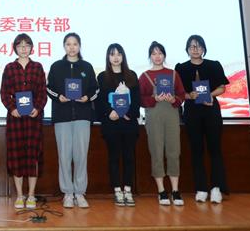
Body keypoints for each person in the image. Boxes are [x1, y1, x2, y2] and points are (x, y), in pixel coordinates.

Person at [46, 32, 98, 209]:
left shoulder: (87, 67)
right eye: (68, 44)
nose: (72, 47)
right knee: (64, 156)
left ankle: (80, 192)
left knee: (81, 155)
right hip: (62, 117)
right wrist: (58, 97)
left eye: (75, 44)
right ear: (64, 46)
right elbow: (49, 88)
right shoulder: (56, 67)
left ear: (79, 46)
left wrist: (87, 97)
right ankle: (68, 192)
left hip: (82, 116)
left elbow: (95, 89)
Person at [175, 35, 229, 204]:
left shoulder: (214, 65)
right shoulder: (181, 68)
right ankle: (201, 188)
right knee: (196, 151)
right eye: (192, 46)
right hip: (192, 112)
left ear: (204, 49)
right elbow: (179, 93)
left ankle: (216, 188)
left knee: (215, 150)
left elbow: (222, 87)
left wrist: (210, 95)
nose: (195, 49)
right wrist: (189, 96)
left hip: (211, 110)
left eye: (198, 46)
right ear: (187, 49)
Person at [0, 33, 47, 209]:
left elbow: (42, 92)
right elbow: (4, 93)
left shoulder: (37, 67)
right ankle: (20, 195)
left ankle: (32, 195)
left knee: (33, 156)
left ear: (31, 48)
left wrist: (38, 108)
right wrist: (12, 108)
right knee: (16, 156)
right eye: (20, 45)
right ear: (15, 48)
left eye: (27, 45)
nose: (23, 48)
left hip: (34, 120)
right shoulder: (9, 68)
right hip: (16, 120)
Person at [138, 41, 186, 206]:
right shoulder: (144, 76)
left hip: (171, 116)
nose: (157, 56)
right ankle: (161, 191)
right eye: (154, 53)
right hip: (153, 117)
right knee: (156, 151)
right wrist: (154, 99)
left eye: (160, 53)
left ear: (164, 55)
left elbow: (181, 95)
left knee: (174, 151)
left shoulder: (173, 74)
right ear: (150, 56)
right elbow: (140, 99)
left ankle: (175, 190)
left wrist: (174, 100)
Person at [95, 43, 140, 207]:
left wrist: (129, 113)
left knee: (129, 157)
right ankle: (117, 191)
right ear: (108, 57)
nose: (116, 57)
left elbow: (137, 100)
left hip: (128, 123)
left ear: (123, 56)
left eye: (119, 54)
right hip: (111, 124)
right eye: (112, 54)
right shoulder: (102, 77)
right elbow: (99, 101)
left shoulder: (131, 75)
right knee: (113, 157)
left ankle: (128, 189)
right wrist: (109, 113)